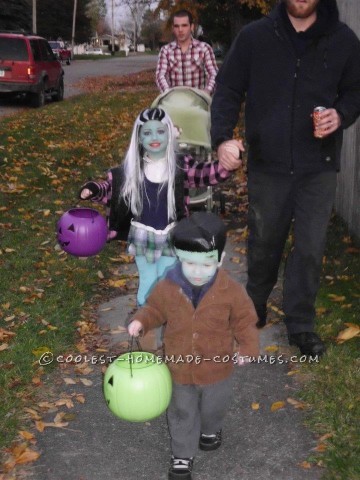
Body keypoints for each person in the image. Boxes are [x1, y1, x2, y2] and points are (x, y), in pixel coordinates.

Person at [210, 0, 360, 356]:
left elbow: (356, 90)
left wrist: (341, 115)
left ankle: (301, 323)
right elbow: (228, 89)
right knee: (264, 241)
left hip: (318, 166)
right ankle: (255, 303)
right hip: (268, 164)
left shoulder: (342, 39)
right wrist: (221, 138)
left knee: (310, 248)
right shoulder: (254, 37)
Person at [127, 212, 259, 480]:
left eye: (206, 265)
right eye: (189, 263)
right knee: (182, 411)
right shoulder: (168, 286)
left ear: (220, 259)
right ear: (177, 256)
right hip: (179, 367)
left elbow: (245, 321)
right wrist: (141, 321)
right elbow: (154, 309)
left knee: (213, 407)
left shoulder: (231, 291)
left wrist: (248, 348)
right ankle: (181, 456)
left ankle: (211, 429)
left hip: (217, 368)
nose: (197, 272)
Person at [79, 107, 235, 309]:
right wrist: (93, 190)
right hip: (142, 236)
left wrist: (226, 166)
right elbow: (110, 189)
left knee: (167, 279)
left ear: (170, 134)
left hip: (171, 235)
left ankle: (167, 321)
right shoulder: (131, 170)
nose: (154, 137)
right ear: (139, 138)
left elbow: (205, 174)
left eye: (160, 131)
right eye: (147, 133)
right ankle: (146, 326)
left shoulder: (180, 167)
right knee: (147, 280)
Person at [156, 9, 218, 95]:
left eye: (184, 25)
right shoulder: (166, 51)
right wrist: (168, 94)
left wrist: (206, 93)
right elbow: (160, 76)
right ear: (173, 28)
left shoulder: (204, 49)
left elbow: (213, 74)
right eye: (176, 26)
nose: (180, 30)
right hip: (173, 102)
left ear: (191, 27)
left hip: (198, 103)